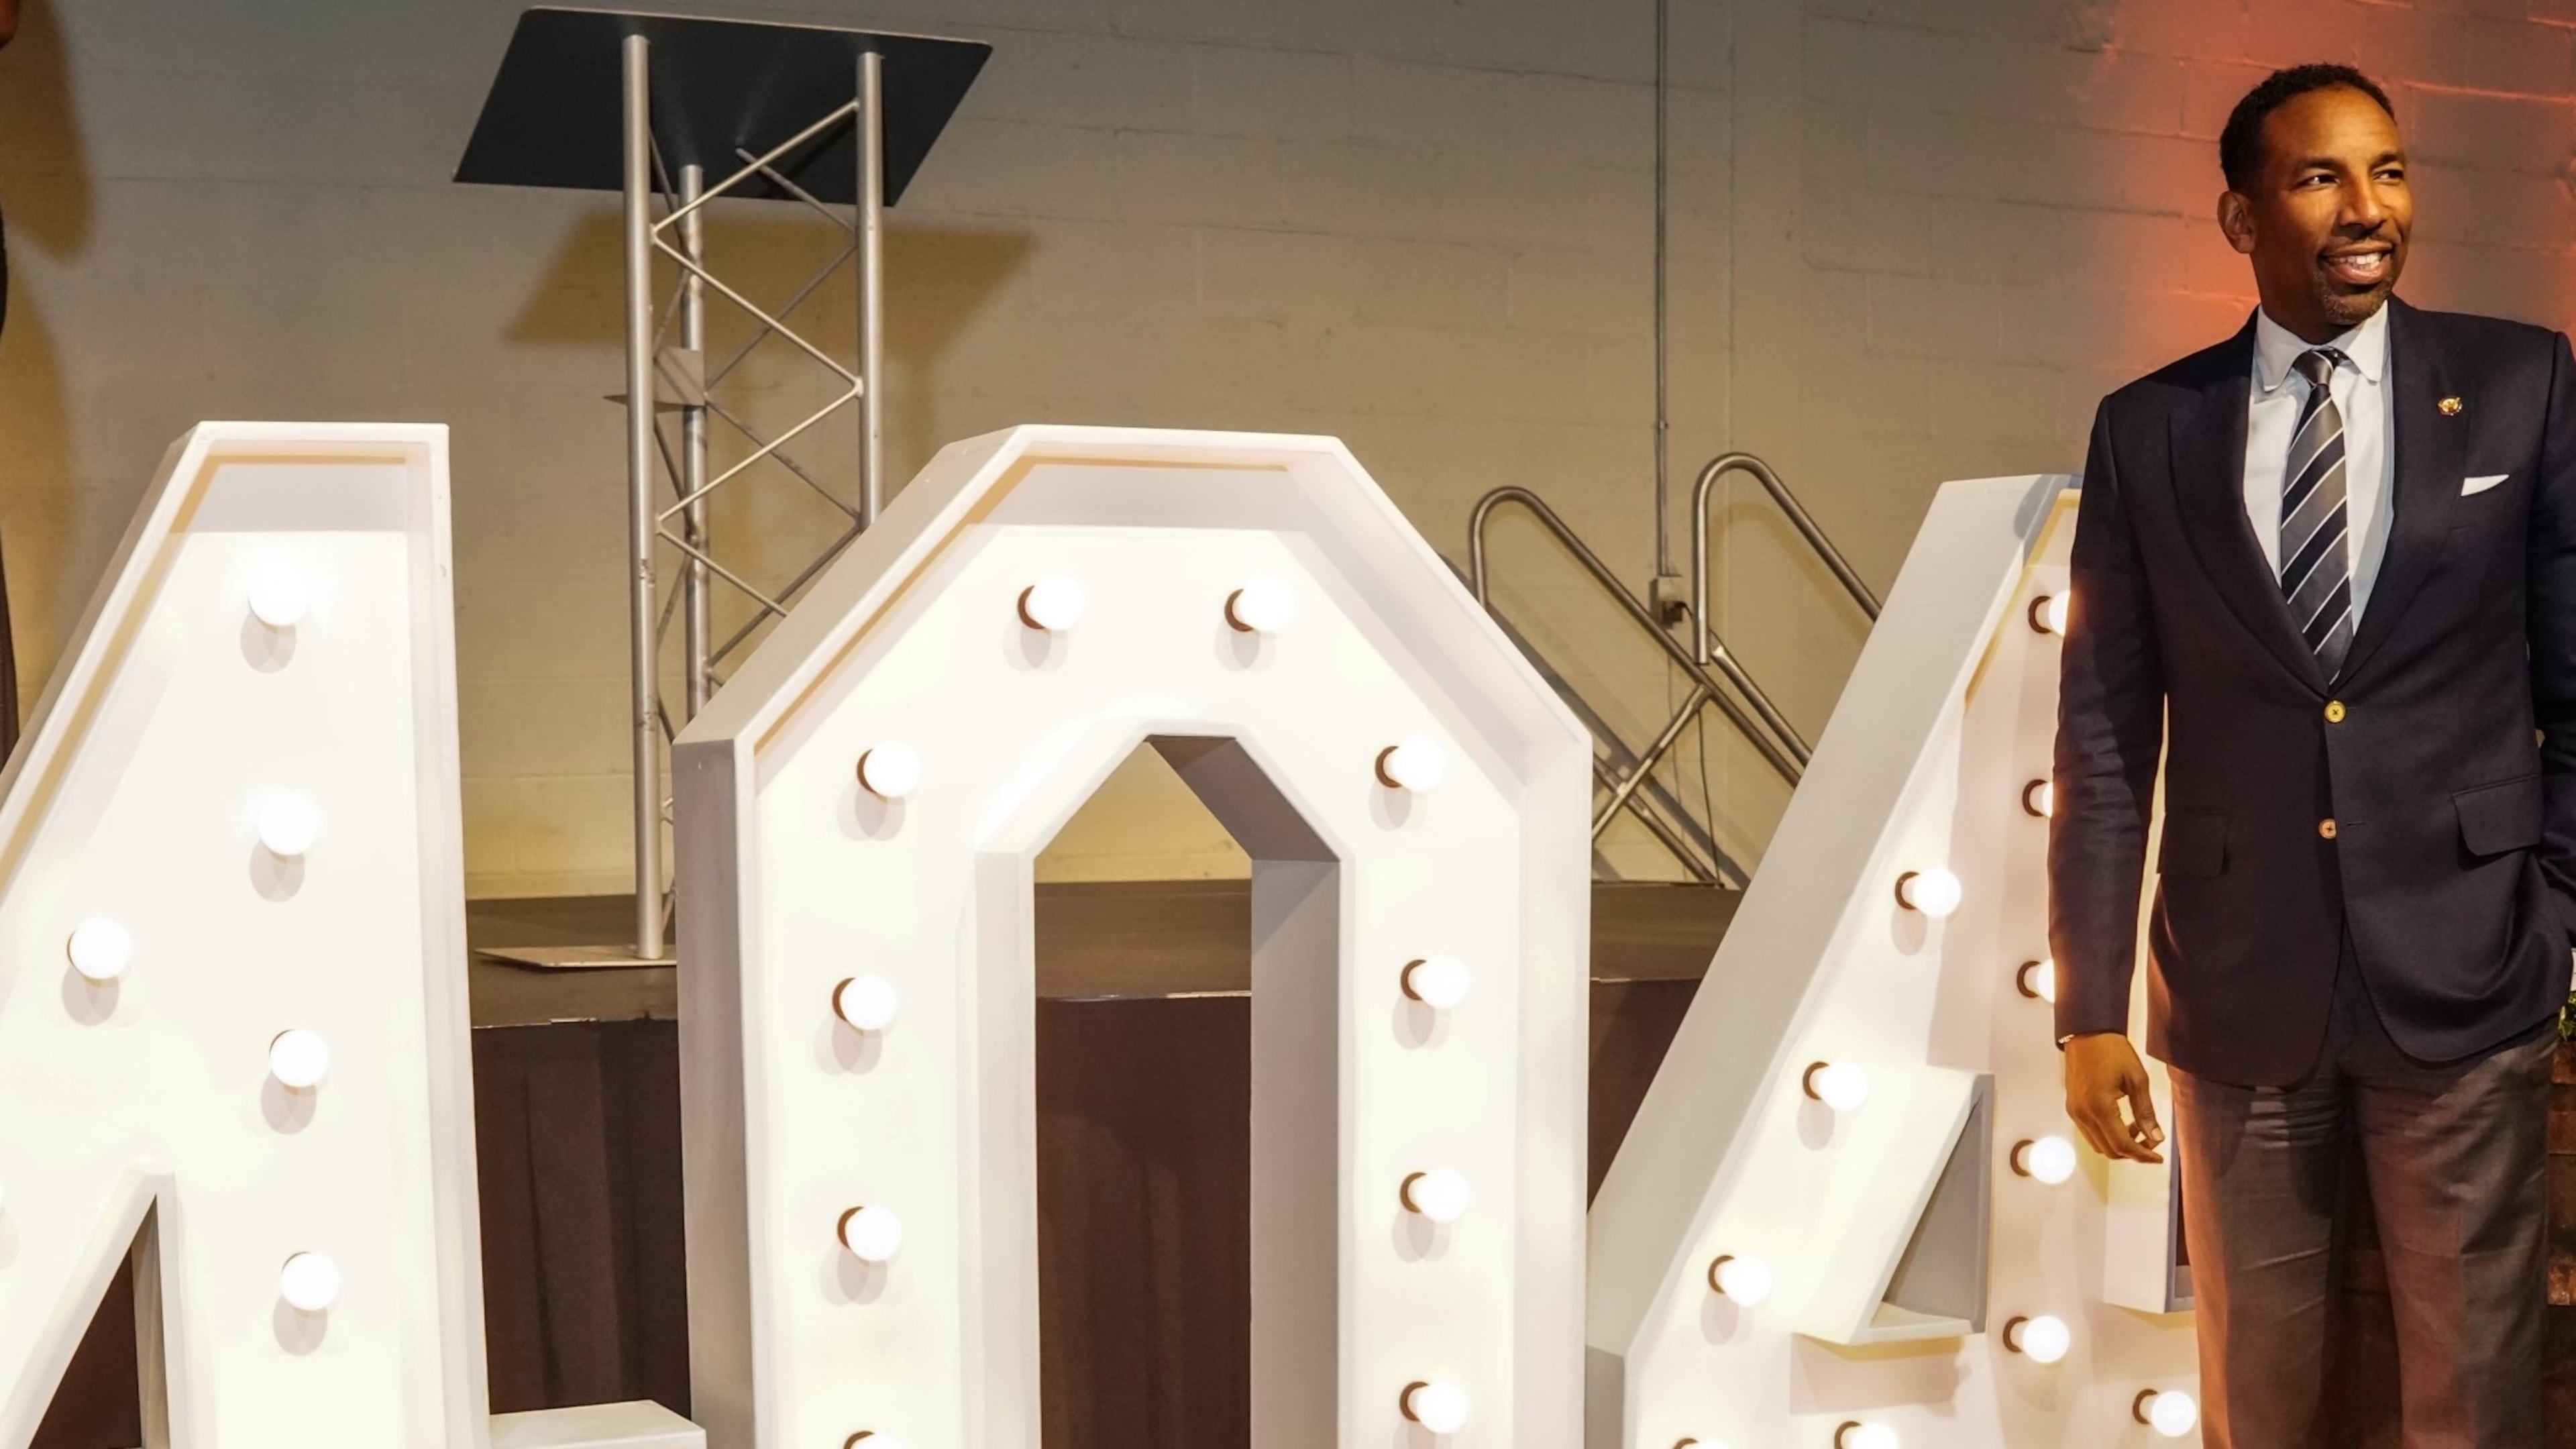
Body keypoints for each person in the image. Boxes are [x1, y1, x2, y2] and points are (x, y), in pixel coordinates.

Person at [2049, 62, 2573, 1447]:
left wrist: (2554, 912)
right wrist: (2089, 1005)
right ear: (2240, 217)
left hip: (2467, 976)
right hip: (2237, 986)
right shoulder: (2149, 428)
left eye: (2390, 171)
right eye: (2320, 176)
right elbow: (2105, 730)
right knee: (2260, 1403)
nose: (2368, 208)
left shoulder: (2521, 383)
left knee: (2474, 1403)